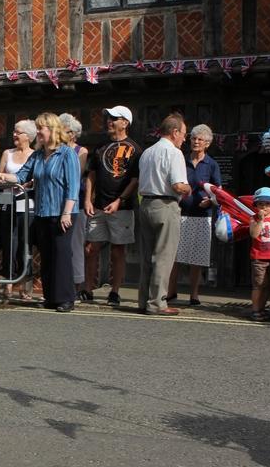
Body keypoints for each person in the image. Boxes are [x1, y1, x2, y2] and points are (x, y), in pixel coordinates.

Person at [0, 113, 81, 312]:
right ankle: (51, 297)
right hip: (43, 212)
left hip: (62, 212)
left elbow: (73, 186)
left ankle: (66, 298)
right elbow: (21, 176)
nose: (38, 132)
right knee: (47, 256)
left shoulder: (67, 154)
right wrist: (3, 176)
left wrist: (66, 213)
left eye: (41, 128)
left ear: (51, 129)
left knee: (61, 255)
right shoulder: (38, 155)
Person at [82, 106, 141, 306]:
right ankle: (87, 289)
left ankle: (115, 291)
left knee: (118, 251)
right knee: (91, 248)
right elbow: (91, 174)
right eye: (109, 117)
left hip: (122, 208)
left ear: (125, 122)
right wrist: (87, 200)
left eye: (114, 118)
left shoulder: (135, 149)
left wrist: (119, 201)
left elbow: (135, 180)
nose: (109, 121)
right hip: (98, 206)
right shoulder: (100, 147)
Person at [137, 113, 190, 315]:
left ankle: (143, 301)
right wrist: (189, 188)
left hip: (145, 204)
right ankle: (157, 303)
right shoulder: (174, 153)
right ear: (175, 132)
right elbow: (177, 186)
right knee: (163, 257)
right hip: (166, 205)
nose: (184, 138)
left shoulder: (147, 152)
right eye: (183, 134)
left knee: (146, 256)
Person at [167, 124, 222, 306]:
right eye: (193, 138)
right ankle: (171, 292)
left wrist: (210, 201)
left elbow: (218, 191)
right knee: (175, 256)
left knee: (196, 258)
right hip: (180, 213)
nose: (196, 142)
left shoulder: (211, 165)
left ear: (207, 144)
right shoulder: (180, 160)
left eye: (200, 139)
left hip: (202, 216)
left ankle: (194, 295)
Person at [0, 119, 36, 301]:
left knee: (24, 242)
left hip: (26, 202)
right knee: (8, 243)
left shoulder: (35, 155)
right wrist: (1, 180)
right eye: (14, 131)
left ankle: (25, 285)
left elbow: (34, 179)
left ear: (28, 136)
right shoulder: (7, 153)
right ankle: (8, 284)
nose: (14, 135)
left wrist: (28, 184)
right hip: (7, 200)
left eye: (18, 132)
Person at [59, 113, 89, 298]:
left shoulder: (81, 151)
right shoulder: (56, 150)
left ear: (73, 133)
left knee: (75, 245)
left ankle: (77, 284)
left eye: (65, 130)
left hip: (75, 203)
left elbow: (77, 175)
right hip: (57, 203)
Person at [249, 187, 270, 320]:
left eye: (268, 204)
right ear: (256, 205)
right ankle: (255, 310)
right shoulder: (254, 218)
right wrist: (261, 220)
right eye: (261, 204)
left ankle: (261, 308)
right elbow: (254, 234)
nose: (264, 207)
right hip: (259, 258)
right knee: (259, 285)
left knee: (269, 285)